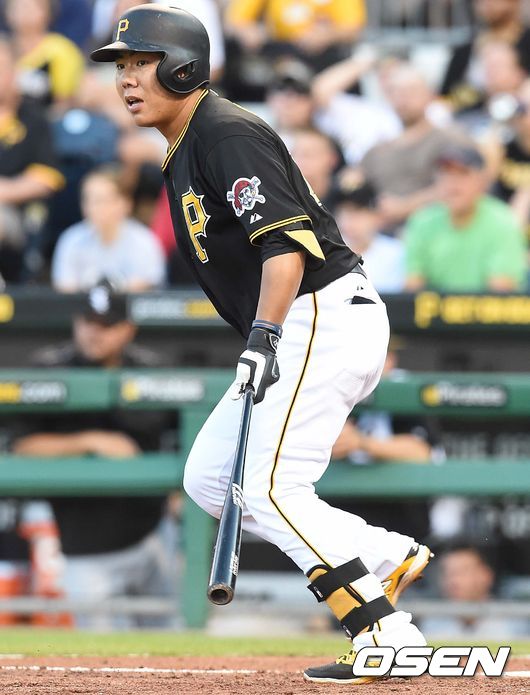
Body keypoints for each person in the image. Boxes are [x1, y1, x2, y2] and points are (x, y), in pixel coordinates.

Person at [91, 5, 430, 682]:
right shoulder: (186, 146)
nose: (126, 78)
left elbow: (285, 249)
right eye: (121, 66)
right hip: (306, 320)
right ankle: (382, 554)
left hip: (316, 313)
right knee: (212, 478)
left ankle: (388, 634)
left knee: (268, 488)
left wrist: (265, 334)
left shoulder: (224, 132)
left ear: (183, 68)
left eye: (142, 63)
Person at [12, 281, 177, 630]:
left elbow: (185, 438)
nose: (94, 333)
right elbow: (21, 446)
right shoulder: (48, 370)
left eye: (106, 325)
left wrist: (180, 491)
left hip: (151, 534)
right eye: (88, 322)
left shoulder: (152, 370)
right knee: (103, 655)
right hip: (85, 547)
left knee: (177, 643)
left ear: (128, 329)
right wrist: (90, 441)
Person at [404, 143, 527, 293]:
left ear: (482, 180)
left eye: (462, 173)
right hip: (433, 307)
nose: (452, 183)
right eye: (446, 173)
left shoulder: (503, 222)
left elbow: (501, 292)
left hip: (484, 308)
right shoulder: (422, 222)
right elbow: (412, 289)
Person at [360, 64, 465, 232]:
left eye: (411, 91)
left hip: (438, 232)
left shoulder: (451, 140)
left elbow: (462, 186)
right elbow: (355, 185)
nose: (403, 100)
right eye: (396, 92)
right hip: (382, 237)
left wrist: (405, 206)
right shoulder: (377, 151)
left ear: (430, 95)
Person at [0, 35, 65, 283]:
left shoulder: (33, 118)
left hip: (18, 216)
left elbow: (46, 179)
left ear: (15, 72)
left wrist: (4, 191)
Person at [51, 166, 165, 292]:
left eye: (102, 200)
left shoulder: (144, 241)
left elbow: (150, 286)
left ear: (125, 203)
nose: (94, 208)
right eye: (89, 200)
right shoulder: (71, 240)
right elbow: (65, 289)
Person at [420, 542, 529, 638]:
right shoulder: (431, 624)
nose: (452, 581)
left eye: (462, 571)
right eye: (446, 573)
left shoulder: (513, 623)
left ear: (486, 575)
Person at [441, 0, 530, 114]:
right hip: (470, 115)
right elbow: (446, 95)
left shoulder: (526, 42)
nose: (488, 4)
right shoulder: (467, 49)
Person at [5, 0, 85, 110]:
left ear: (46, 12)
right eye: (17, 7)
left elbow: (64, 101)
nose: (23, 12)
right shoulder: (3, 49)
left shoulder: (61, 50)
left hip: (45, 116)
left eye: (29, 7)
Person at [332, 183, 406, 294]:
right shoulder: (328, 253)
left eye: (357, 212)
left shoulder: (396, 252)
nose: (349, 221)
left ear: (375, 215)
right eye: (344, 212)